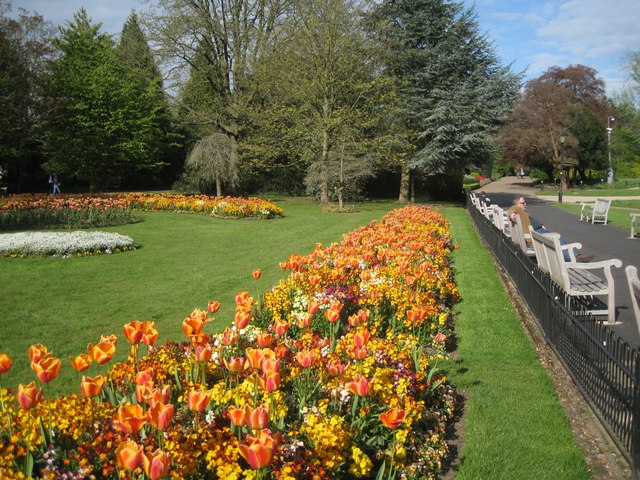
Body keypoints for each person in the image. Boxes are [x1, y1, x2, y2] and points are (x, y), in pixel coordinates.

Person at [507, 195, 593, 262]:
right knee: (557, 239)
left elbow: (530, 221)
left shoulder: (523, 211)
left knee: (560, 240)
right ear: (517, 204)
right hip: (535, 235)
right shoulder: (516, 208)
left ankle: (576, 255)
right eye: (523, 203)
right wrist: (512, 215)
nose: (525, 204)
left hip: (538, 232)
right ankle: (574, 257)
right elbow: (511, 211)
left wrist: (541, 225)